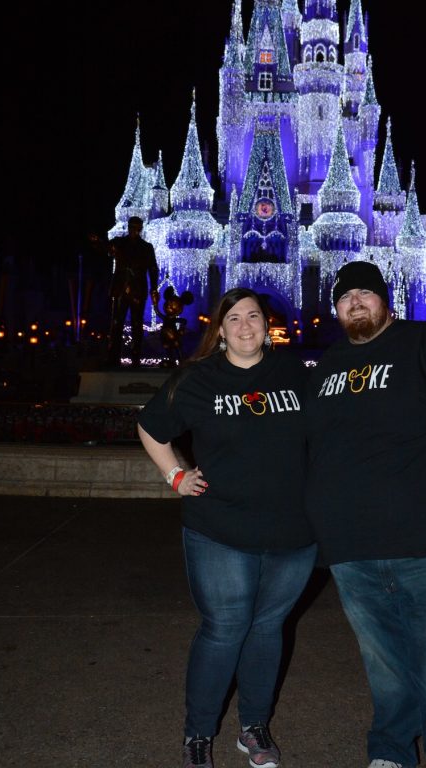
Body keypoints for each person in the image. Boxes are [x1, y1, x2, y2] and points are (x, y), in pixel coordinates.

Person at [305, 261, 426, 768]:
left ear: (384, 300)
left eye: (366, 294)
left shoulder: (424, 341)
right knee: (384, 659)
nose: (355, 303)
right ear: (336, 308)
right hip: (352, 545)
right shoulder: (327, 363)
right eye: (345, 297)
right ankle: (392, 749)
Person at [137, 287, 316, 768]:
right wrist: (175, 474)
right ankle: (198, 734)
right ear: (218, 330)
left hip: (293, 531)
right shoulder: (197, 379)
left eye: (252, 316)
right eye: (233, 318)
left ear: (266, 324)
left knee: (267, 628)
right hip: (220, 526)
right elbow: (152, 427)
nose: (244, 326)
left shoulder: (296, 373)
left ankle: (253, 727)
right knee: (224, 629)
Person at [104, 215, 159, 368]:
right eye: (132, 227)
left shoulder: (146, 247)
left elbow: (153, 268)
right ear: (128, 228)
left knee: (137, 323)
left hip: (137, 289)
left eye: (137, 227)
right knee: (116, 323)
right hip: (121, 288)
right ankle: (113, 357)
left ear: (141, 229)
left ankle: (136, 357)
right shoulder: (119, 243)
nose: (134, 230)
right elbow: (106, 248)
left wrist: (154, 288)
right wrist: (98, 243)